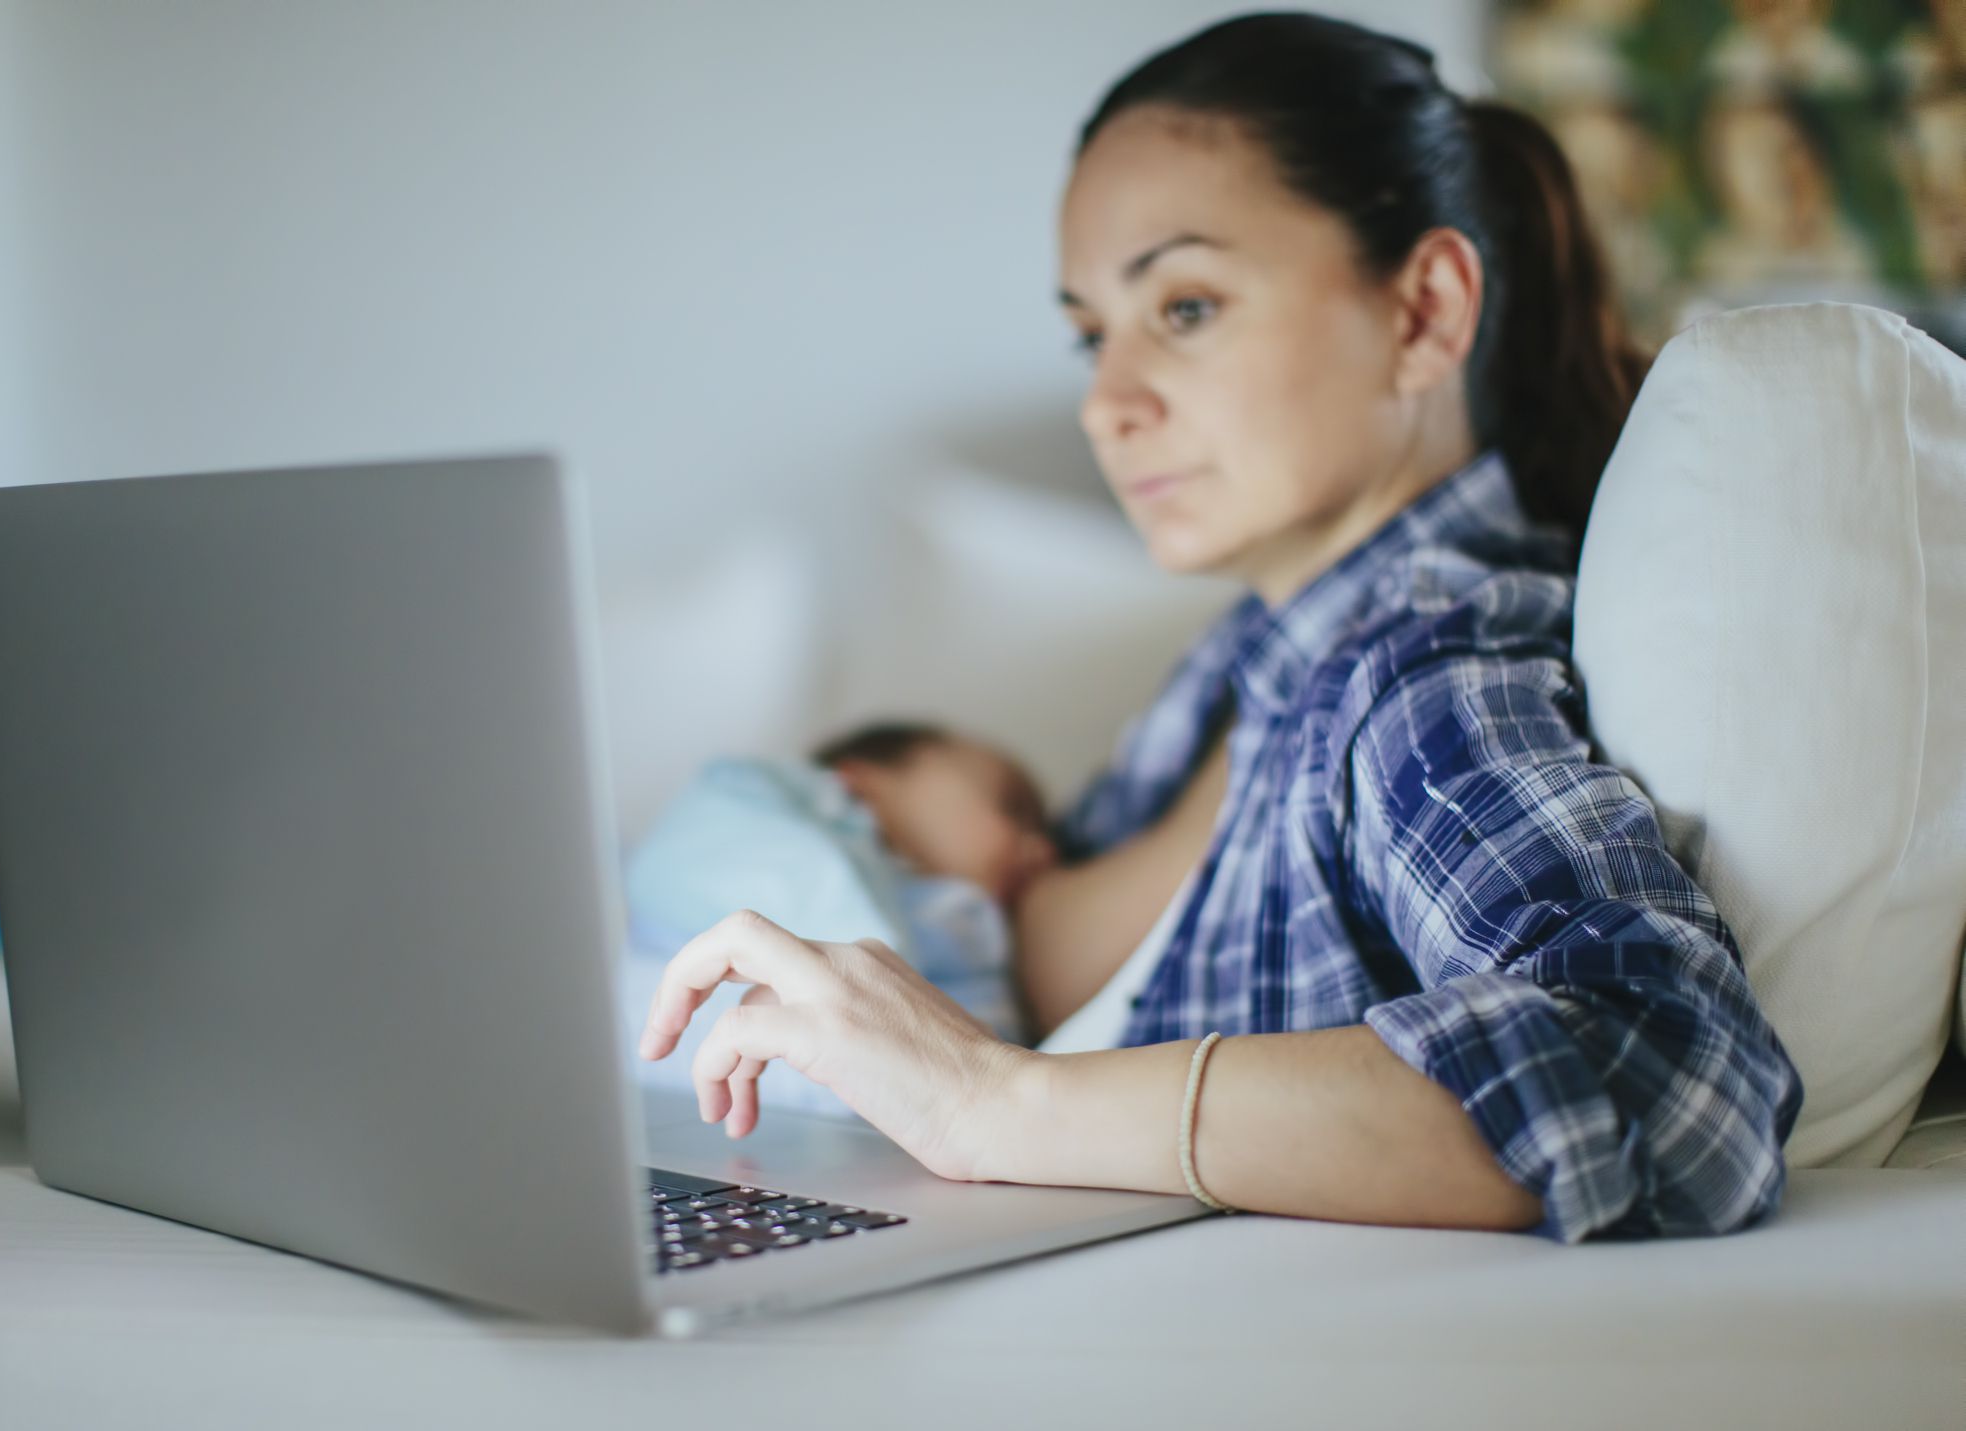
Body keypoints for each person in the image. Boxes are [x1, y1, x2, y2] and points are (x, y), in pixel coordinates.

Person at [637, 12, 1805, 1244]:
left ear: (1422, 313)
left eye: (1185, 307)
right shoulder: (1248, 661)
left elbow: (1671, 1077)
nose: (1105, 402)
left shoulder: (1422, 676)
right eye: (1092, 333)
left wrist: (995, 1103)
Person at [622, 722, 1055, 1062]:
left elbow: (987, 1053)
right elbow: (694, 855)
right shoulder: (761, 797)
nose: (1044, 850)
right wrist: (866, 984)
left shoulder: (963, 929)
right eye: (1013, 806)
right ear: (860, 779)